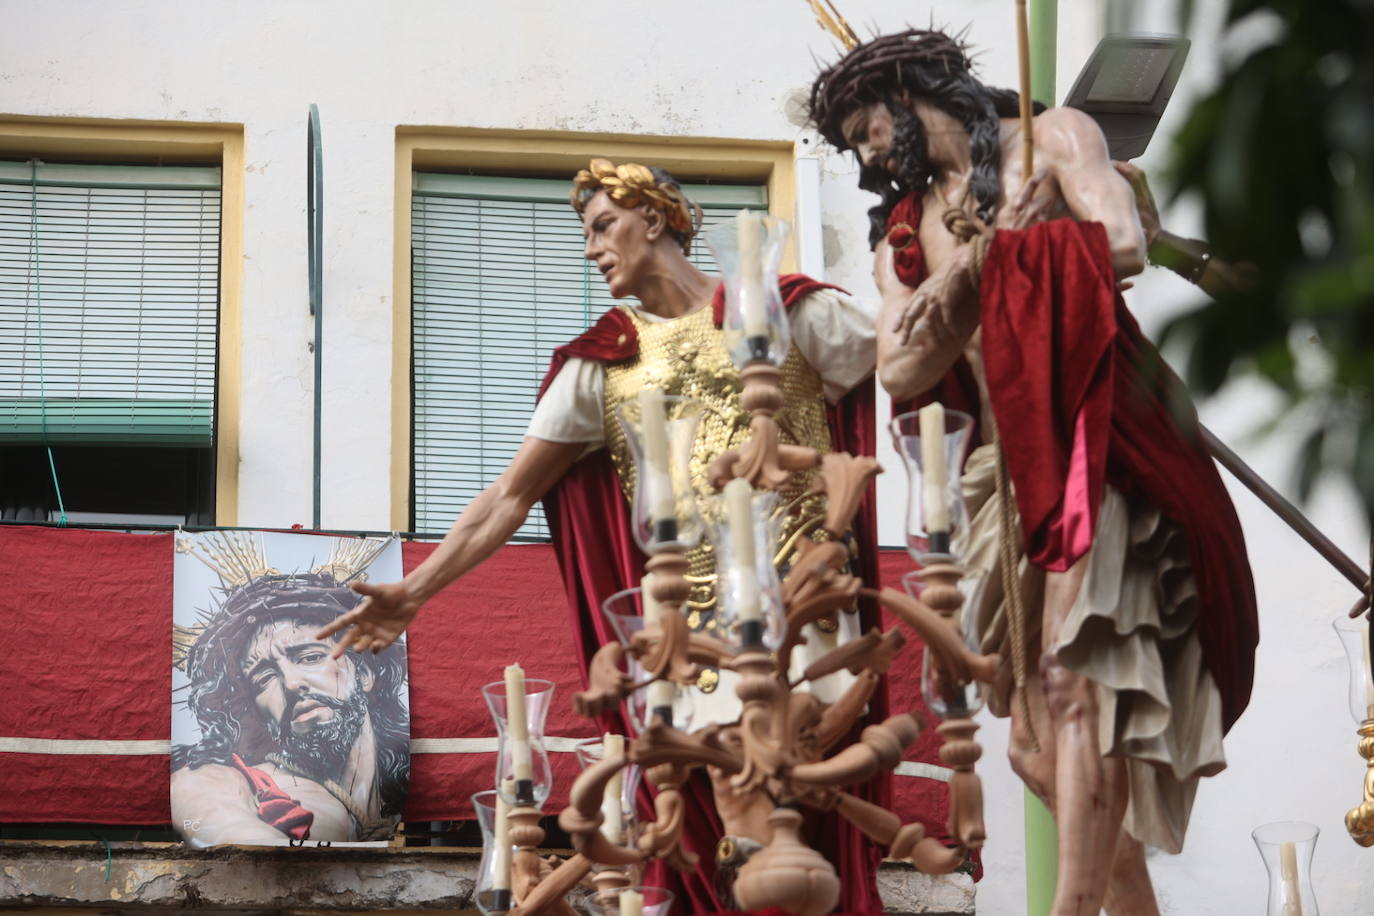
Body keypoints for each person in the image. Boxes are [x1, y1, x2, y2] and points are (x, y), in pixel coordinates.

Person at [319, 159, 886, 913]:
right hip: (693, 628)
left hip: (807, 604)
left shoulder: (783, 311)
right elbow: (509, 495)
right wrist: (416, 590)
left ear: (654, 217)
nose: (590, 249)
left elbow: (917, 359)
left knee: (809, 807)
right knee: (731, 804)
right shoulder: (605, 364)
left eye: (602, 226)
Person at [809, 29, 1259, 916]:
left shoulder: (1052, 139)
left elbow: (1121, 243)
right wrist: (970, 275)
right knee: (1030, 748)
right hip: (1004, 469)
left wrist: (985, 259)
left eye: (867, 129)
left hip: (1095, 428)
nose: (866, 157)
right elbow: (899, 368)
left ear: (912, 91)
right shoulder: (903, 234)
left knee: (1072, 673)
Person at [172, 573, 410, 847]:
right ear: (258, 712)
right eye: (264, 679)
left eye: (310, 657)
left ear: (365, 673)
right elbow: (224, 832)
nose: (291, 684)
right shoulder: (223, 780)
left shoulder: (401, 796)